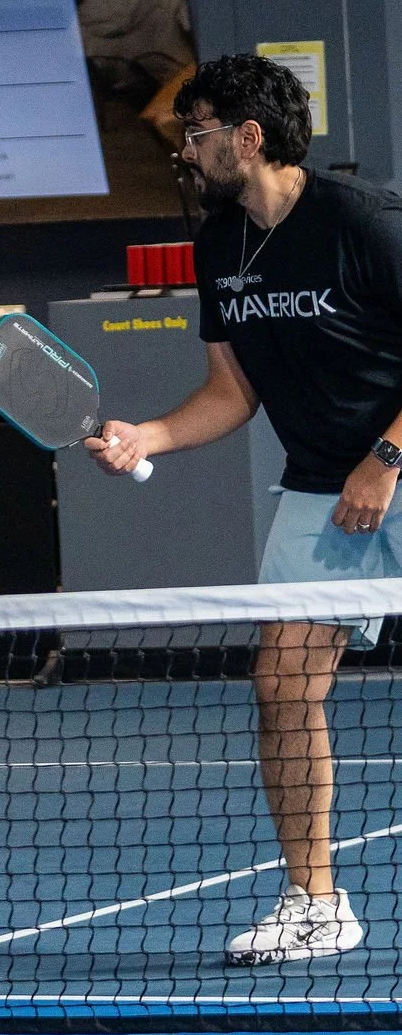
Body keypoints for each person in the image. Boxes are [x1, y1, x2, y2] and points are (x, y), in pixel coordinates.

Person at [88, 54, 402, 967]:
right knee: (281, 686)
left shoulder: (361, 222)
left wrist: (385, 458)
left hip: (385, 459)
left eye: (196, 132)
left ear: (248, 136)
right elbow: (232, 391)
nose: (186, 150)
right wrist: (148, 434)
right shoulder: (219, 242)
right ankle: (316, 901)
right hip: (323, 486)